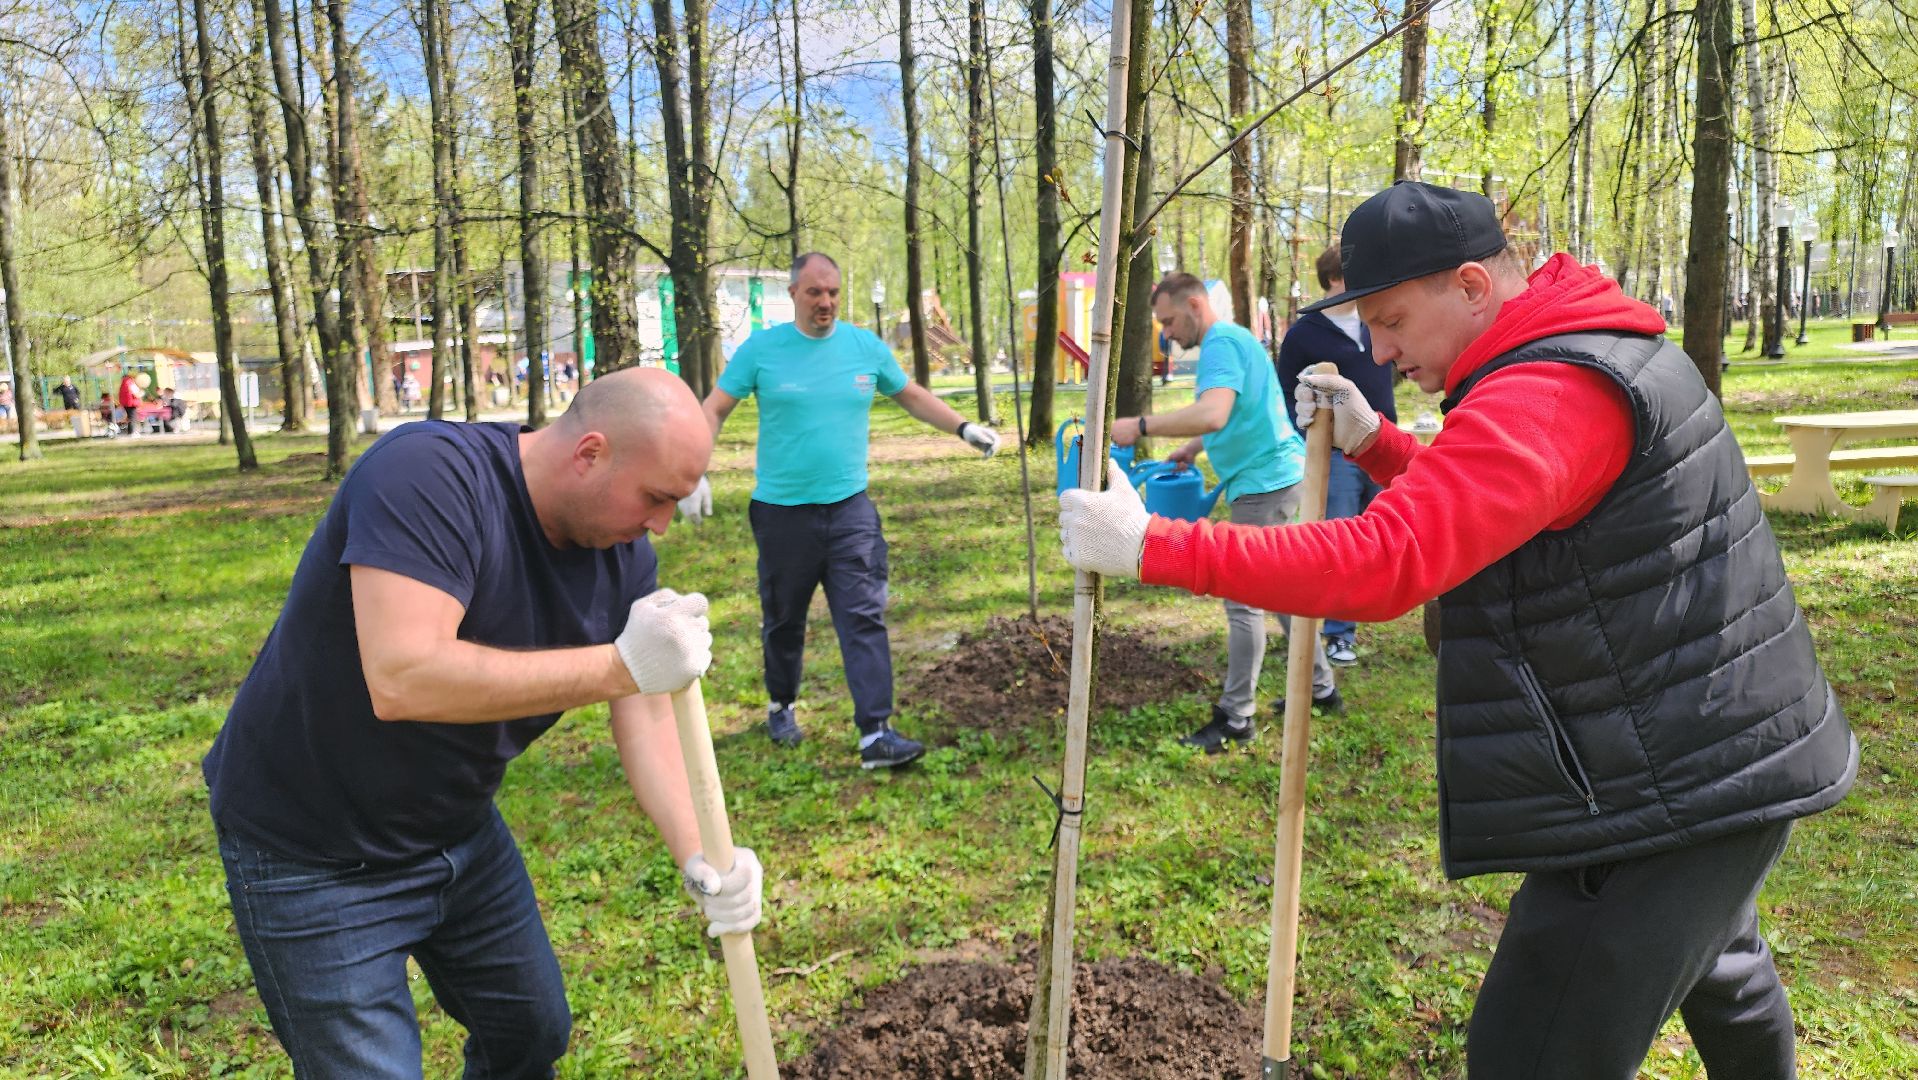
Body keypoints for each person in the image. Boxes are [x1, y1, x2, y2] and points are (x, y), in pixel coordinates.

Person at [1059, 181, 1857, 1079]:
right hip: (1710, 744)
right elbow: (1517, 498)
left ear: (1473, 286)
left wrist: (1152, 545)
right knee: (1728, 971)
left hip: (1667, 788)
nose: (1381, 351)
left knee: (1532, 1052)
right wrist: (1380, 445)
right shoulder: (1585, 346)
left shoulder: (1551, 390)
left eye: (1393, 321)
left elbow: (1385, 561)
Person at [202, 367, 760, 1075]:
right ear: (589, 453)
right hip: (312, 851)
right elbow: (403, 676)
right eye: (655, 498)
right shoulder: (429, 477)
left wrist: (703, 858)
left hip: (455, 832)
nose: (659, 525)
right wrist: (618, 666)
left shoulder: (621, 555)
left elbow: (646, 718)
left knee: (531, 1035)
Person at [697, 252, 1001, 768]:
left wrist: (963, 427)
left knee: (863, 614)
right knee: (784, 619)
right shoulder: (762, 350)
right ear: (793, 293)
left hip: (849, 510)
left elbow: (909, 394)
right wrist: (692, 468)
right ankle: (781, 704)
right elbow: (714, 409)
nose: (826, 302)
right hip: (781, 512)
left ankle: (875, 733)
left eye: (834, 292)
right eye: (815, 292)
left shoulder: (864, 347)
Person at [1109, 271, 1338, 754]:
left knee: (1243, 599)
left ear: (1194, 304)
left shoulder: (1220, 345)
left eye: (1168, 321)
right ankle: (1322, 688)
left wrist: (1140, 425)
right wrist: (1194, 447)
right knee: (1278, 592)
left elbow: (1214, 412)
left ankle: (1237, 718)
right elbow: (1233, 413)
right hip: (1276, 475)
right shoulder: (1233, 340)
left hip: (1266, 484)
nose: (1167, 333)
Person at [1275, 246, 1398, 668]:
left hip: (1386, 442)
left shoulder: (1372, 321)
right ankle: (1338, 634)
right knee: (1343, 540)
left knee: (1382, 535)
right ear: (1334, 280)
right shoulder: (1304, 335)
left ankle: (1365, 613)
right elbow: (1290, 397)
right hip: (1338, 456)